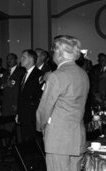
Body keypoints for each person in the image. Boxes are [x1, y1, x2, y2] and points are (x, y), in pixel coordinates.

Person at [36, 35, 90, 171]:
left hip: (58, 138)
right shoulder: (83, 74)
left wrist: (40, 128)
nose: (52, 54)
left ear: (59, 53)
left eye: (53, 51)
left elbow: (44, 109)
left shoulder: (57, 75)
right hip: (77, 137)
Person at [16, 49, 43, 142]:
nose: (21, 59)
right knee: (25, 140)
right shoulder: (23, 75)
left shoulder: (39, 74)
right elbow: (20, 96)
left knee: (34, 141)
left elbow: (40, 96)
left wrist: (32, 110)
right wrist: (18, 113)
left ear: (31, 59)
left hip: (32, 115)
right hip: (23, 114)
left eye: (24, 57)